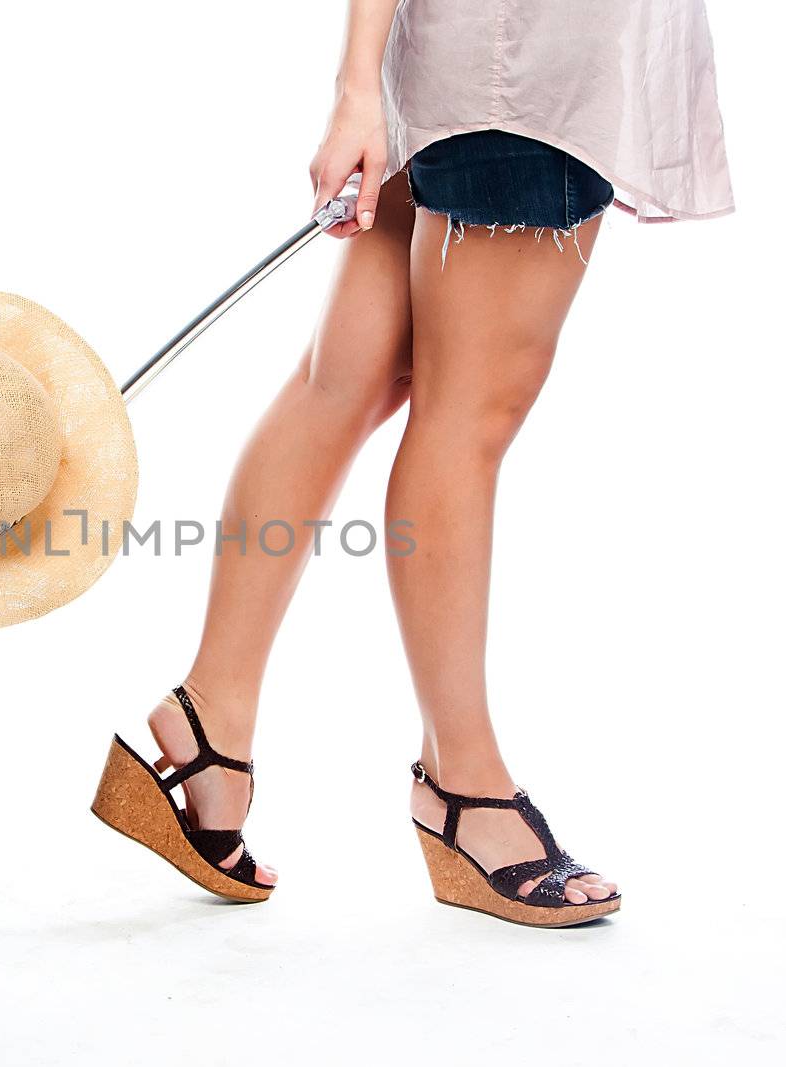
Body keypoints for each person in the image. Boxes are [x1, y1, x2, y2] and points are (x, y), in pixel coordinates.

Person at [90, 0, 732, 925]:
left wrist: (368, 82)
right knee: (466, 419)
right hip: (528, 75)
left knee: (348, 382)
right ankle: (464, 786)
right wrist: (355, 87)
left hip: (472, 58)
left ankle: (208, 720)